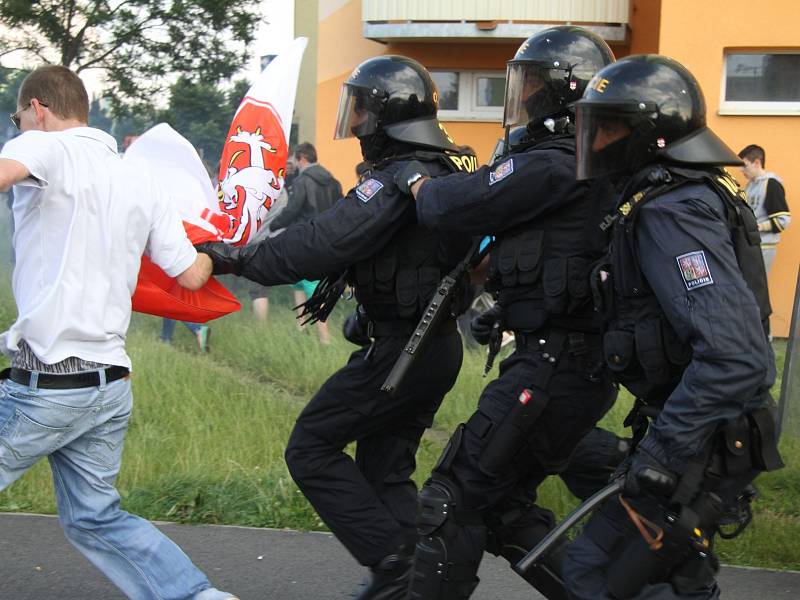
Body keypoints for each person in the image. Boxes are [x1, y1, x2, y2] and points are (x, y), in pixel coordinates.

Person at [198, 55, 480, 599]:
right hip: (430, 347)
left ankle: (395, 564)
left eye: (359, 111)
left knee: (310, 447)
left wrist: (237, 257)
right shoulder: (440, 166)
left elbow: (326, 241)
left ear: (384, 115)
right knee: (383, 473)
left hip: (407, 350)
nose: (352, 125)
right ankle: (416, 584)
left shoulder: (403, 177)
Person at [396, 27, 623, 599]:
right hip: (558, 363)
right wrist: (514, 309)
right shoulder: (580, 162)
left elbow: (455, 205)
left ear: (560, 94)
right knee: (500, 508)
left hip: (554, 370)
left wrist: (414, 179)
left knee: (451, 498)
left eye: (532, 84)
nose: (520, 97)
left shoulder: (557, 162)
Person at [0, 65, 236, 600]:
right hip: (108, 386)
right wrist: (229, 247)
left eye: (19, 119)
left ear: (38, 109)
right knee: (95, 518)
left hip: (49, 384)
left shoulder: (49, 147)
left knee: (94, 516)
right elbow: (194, 273)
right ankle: (200, 597)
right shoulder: (139, 178)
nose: (19, 130)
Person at [562, 54, 783, 600]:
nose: (595, 141)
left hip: (704, 441)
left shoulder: (673, 210)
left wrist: (661, 453)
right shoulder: (681, 193)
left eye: (608, 127)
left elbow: (736, 356)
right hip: (708, 432)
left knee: (595, 574)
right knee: (676, 579)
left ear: (648, 133)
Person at [269, 142, 342, 343]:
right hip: (327, 241)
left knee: (312, 288)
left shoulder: (302, 182)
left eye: (295, 159)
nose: (294, 164)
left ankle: (324, 338)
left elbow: (292, 210)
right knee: (299, 283)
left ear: (302, 157)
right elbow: (341, 210)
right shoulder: (333, 182)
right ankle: (300, 330)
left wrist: (274, 225)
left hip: (306, 242)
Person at [738, 144, 791, 273]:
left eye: (744, 165)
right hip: (750, 244)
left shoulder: (771, 184)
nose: (741, 170)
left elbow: (783, 220)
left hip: (764, 246)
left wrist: (758, 227)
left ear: (757, 162)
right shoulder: (749, 187)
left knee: (757, 288)